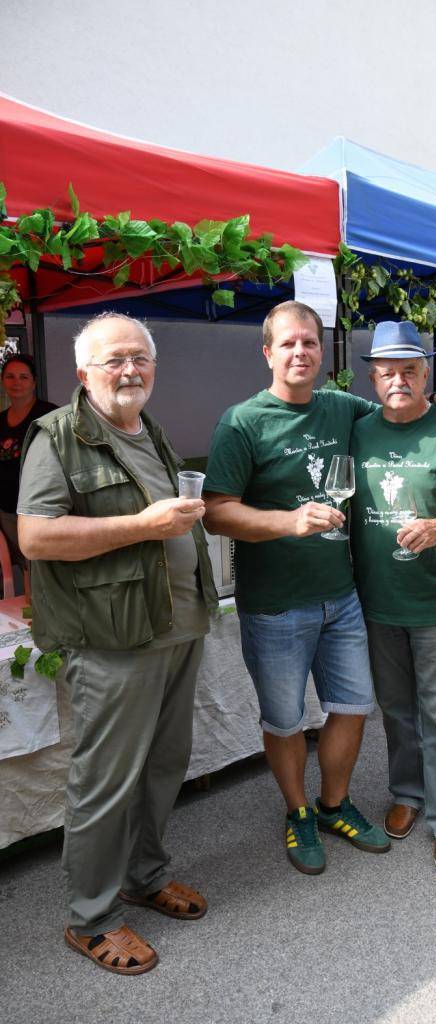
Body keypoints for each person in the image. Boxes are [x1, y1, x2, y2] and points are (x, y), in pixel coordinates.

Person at [203, 300, 436, 875]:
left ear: (323, 353)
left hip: (344, 596)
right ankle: (299, 812)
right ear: (267, 352)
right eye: (288, 343)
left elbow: (401, 397)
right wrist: (287, 521)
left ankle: (335, 804)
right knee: (284, 720)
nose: (300, 352)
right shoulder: (241, 421)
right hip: (276, 603)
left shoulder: (341, 407)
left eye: (310, 342)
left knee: (352, 707)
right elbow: (216, 512)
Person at [17, 312, 218, 975]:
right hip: (113, 637)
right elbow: (36, 538)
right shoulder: (57, 437)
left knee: (164, 767)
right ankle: (91, 918)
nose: (129, 370)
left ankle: (145, 875)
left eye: (140, 357)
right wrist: (141, 524)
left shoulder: (147, 429)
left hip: (178, 626)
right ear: (83, 374)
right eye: (113, 361)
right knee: (106, 781)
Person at [350, 321, 436, 875]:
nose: (398, 379)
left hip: (435, 598)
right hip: (378, 598)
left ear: (427, 372)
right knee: (397, 710)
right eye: (387, 371)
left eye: (410, 369)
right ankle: (407, 793)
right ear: (374, 377)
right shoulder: (358, 429)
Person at [0, 353, 56, 583]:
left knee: (43, 570)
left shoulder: (50, 415)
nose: (16, 382)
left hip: (39, 512)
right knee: (25, 570)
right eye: (10, 377)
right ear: (3, 381)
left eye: (23, 377)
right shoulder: (0, 420)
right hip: (6, 512)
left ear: (33, 382)